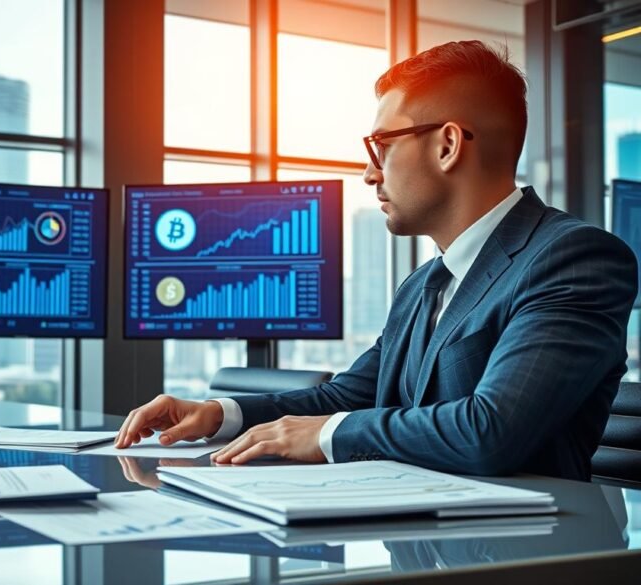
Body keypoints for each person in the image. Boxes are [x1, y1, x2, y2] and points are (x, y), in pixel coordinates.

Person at [115, 40, 638, 480]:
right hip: (419, 539)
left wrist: (326, 435)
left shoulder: (573, 257)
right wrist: (219, 414)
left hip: (533, 557)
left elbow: (492, 431)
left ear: (448, 145)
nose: (369, 174)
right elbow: (352, 395)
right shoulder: (424, 284)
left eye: (381, 145)